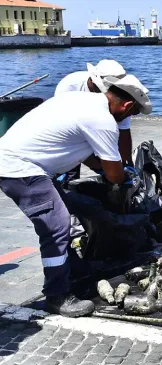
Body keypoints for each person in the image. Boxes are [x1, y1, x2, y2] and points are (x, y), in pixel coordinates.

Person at [0, 74, 152, 317]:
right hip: (21, 169)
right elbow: (114, 175)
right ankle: (57, 295)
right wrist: (126, 177)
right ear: (127, 105)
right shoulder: (102, 120)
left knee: (80, 203)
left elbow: (90, 157)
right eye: (133, 113)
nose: (130, 118)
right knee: (57, 226)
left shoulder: (80, 101)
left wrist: (107, 169)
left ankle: (75, 267)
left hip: (24, 163)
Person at [55, 60, 137, 181]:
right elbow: (64, 131)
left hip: (95, 125)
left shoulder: (119, 94)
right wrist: (100, 166)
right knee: (69, 172)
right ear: (93, 81)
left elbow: (124, 131)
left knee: (112, 166)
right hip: (70, 130)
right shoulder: (69, 86)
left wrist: (128, 164)